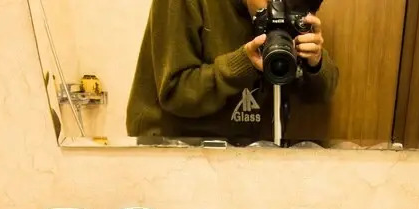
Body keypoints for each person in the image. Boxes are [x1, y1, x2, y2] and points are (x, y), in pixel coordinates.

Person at [126, 0, 339, 143]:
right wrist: (243, 64)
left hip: (249, 149)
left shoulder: (289, 9)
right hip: (175, 149)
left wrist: (314, 62)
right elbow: (176, 93)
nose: (279, 12)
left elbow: (320, 94)